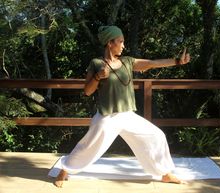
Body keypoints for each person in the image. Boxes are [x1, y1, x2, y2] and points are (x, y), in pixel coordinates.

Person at [54, 25, 190, 188]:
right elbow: (88, 91)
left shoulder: (127, 61)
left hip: (127, 115)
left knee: (157, 136)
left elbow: (152, 63)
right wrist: (98, 76)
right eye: (121, 41)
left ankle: (165, 174)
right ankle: (64, 170)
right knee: (89, 145)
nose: (123, 45)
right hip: (107, 117)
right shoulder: (96, 63)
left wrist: (176, 61)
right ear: (110, 43)